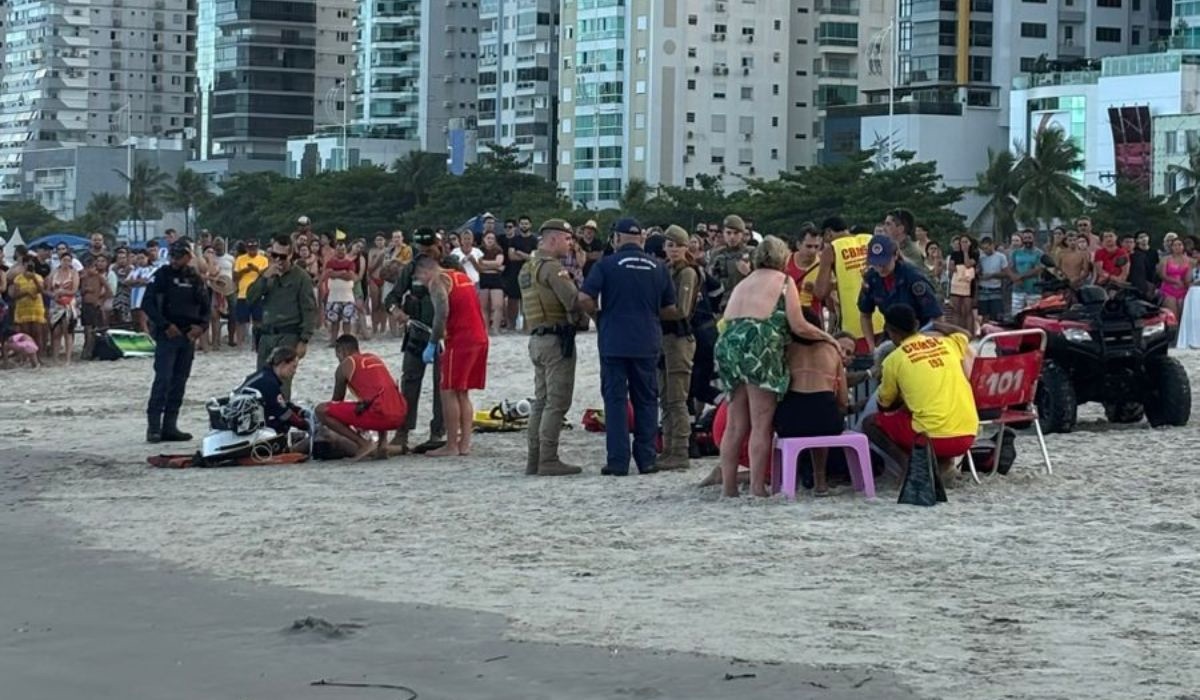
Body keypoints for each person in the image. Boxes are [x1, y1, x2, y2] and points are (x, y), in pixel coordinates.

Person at [709, 236, 833, 497]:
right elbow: (799, 325)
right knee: (761, 422)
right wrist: (827, 337)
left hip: (728, 343)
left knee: (735, 423)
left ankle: (728, 488)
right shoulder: (785, 282)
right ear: (783, 257)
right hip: (759, 344)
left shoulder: (744, 282)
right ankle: (756, 488)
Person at [579, 217, 677, 477]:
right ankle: (647, 459)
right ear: (641, 238)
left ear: (617, 238)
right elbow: (670, 308)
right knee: (646, 399)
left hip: (614, 339)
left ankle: (618, 461)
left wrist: (598, 316)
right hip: (647, 339)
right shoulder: (658, 267)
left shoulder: (606, 264)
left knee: (615, 400)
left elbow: (584, 298)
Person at [862, 304, 978, 486]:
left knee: (871, 423)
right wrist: (937, 325)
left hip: (933, 439)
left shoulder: (894, 359)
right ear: (916, 324)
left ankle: (908, 466)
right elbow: (966, 333)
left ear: (890, 331)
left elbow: (884, 405)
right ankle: (943, 467)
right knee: (926, 415)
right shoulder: (947, 344)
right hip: (968, 435)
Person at [519, 219, 584, 476]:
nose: (570, 244)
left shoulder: (527, 267)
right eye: (568, 239)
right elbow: (572, 300)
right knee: (557, 402)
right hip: (557, 339)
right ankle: (548, 459)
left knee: (541, 401)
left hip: (536, 337)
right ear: (554, 239)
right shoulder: (552, 268)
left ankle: (534, 459)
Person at [416, 254, 489, 457]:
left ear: (425, 271)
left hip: (460, 339)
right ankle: (464, 444)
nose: (421, 282)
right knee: (462, 392)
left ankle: (450, 445)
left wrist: (432, 342)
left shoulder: (438, 281)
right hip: (479, 336)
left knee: (447, 390)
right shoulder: (461, 276)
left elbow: (442, 313)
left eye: (420, 277)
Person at [383, 227, 446, 454]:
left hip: (443, 335)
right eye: (420, 249)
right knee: (409, 381)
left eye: (428, 248)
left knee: (443, 385)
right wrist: (396, 311)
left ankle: (438, 432)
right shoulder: (411, 268)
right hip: (416, 332)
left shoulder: (451, 266)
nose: (424, 253)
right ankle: (402, 432)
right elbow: (391, 297)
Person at [775, 307, 849, 496]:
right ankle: (821, 481)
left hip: (792, 419)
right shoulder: (832, 350)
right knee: (821, 417)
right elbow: (842, 398)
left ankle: (785, 479)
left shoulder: (784, 350)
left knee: (793, 415)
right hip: (826, 416)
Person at [143, 240, 211, 443]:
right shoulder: (162, 275)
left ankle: (170, 426)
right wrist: (164, 325)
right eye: (172, 256)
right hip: (168, 334)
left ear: (188, 257)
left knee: (179, 381)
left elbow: (206, 306)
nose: (174, 260)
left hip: (188, 335)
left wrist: (201, 327)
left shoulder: (195, 278)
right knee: (163, 379)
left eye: (178, 256)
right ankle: (154, 427)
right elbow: (148, 303)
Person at [246, 235, 318, 400]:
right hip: (266, 335)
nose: (278, 260)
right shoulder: (267, 274)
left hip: (288, 335)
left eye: (282, 257)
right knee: (262, 381)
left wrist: (304, 340)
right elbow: (250, 298)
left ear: (291, 255)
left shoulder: (301, 277)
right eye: (274, 255)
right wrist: (264, 278)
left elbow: (309, 310)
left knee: (282, 384)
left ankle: (281, 420)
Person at [314, 334, 409, 461]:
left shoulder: (346, 364)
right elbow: (382, 389)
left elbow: (337, 400)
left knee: (321, 410)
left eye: (338, 355)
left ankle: (363, 444)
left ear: (341, 351)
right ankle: (382, 444)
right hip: (400, 413)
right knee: (378, 396)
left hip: (381, 414)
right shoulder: (374, 358)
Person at [658, 225, 701, 471]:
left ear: (686, 248)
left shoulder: (687, 273)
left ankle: (680, 450)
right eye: (670, 245)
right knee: (665, 397)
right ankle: (668, 447)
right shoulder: (666, 270)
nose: (673, 249)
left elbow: (682, 310)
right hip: (664, 339)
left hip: (679, 338)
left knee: (677, 399)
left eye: (678, 245)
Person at [858, 234, 944, 353]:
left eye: (884, 263)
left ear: (895, 255)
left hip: (921, 333)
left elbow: (937, 317)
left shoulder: (913, 278)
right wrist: (872, 346)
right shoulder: (871, 279)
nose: (880, 268)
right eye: (876, 264)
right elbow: (865, 315)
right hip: (893, 335)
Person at [814, 217, 883, 355]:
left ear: (828, 233)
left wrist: (832, 284)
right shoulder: (871, 240)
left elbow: (820, 292)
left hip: (854, 326)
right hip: (884, 319)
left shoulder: (832, 249)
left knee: (861, 370)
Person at [238, 346, 308, 435]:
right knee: (283, 424)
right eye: (293, 367)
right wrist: (305, 424)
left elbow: (281, 403)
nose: (294, 371)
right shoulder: (270, 383)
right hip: (247, 424)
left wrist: (300, 411)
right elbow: (284, 413)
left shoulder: (264, 375)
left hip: (244, 416)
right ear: (283, 364)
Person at [708, 215, 752, 310]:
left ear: (742, 234)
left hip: (744, 303)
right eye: (728, 233)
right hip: (722, 303)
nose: (732, 237)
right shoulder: (716, 253)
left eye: (736, 233)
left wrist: (749, 273)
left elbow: (762, 282)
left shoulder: (752, 253)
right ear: (723, 233)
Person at [503, 215, 537, 330]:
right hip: (514, 272)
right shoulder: (514, 240)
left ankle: (527, 327)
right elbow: (511, 256)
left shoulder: (534, 240)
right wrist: (526, 256)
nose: (524, 225)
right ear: (519, 225)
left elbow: (534, 258)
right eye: (522, 223)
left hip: (529, 272)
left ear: (530, 225)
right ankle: (511, 325)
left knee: (527, 299)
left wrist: (521, 254)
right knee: (512, 300)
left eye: (526, 223)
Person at [233, 240, 269, 348]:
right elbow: (235, 276)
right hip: (243, 293)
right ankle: (240, 344)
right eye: (250, 248)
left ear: (257, 248)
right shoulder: (240, 259)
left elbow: (266, 275)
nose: (252, 250)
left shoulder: (263, 259)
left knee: (258, 320)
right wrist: (244, 271)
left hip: (258, 294)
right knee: (241, 321)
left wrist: (256, 269)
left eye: (254, 248)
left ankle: (256, 344)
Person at [322, 238, 358, 344]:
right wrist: (342, 272)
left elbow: (350, 276)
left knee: (347, 322)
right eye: (338, 250)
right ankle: (333, 340)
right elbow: (329, 274)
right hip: (334, 296)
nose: (340, 252)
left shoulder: (350, 263)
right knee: (334, 322)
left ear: (345, 250)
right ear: (335, 251)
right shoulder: (330, 262)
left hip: (347, 297)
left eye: (342, 250)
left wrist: (336, 273)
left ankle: (347, 342)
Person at [47, 250, 80, 363]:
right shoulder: (54, 273)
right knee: (56, 331)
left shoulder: (73, 273)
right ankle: (55, 358)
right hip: (56, 304)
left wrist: (62, 292)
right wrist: (54, 295)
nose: (66, 262)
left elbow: (74, 290)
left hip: (68, 303)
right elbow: (48, 289)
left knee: (68, 331)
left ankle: (68, 358)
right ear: (60, 261)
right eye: (64, 260)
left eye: (68, 260)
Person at [79, 254, 113, 360]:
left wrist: (101, 300)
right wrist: (85, 290)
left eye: (93, 267)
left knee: (92, 329)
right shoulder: (84, 278)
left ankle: (90, 351)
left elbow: (109, 292)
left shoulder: (99, 277)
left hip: (94, 305)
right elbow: (80, 291)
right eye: (88, 267)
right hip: (85, 305)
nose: (91, 270)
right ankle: (87, 350)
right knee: (86, 329)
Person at [784, 226, 823, 317]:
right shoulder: (785, 261)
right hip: (787, 316)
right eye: (808, 246)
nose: (813, 251)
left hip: (812, 318)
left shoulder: (822, 266)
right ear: (798, 245)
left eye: (816, 247)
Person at [1007, 229, 1045, 314]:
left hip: (1034, 290)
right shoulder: (1015, 253)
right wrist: (1014, 278)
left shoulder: (1039, 253)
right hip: (1018, 289)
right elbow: (1010, 267)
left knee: (1033, 315)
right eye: (1025, 238)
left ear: (1034, 238)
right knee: (1016, 315)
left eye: (1029, 237)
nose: (1027, 240)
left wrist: (1020, 276)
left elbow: (1038, 270)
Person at [947, 235, 978, 336]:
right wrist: (960, 269)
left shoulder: (975, 253)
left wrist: (965, 252)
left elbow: (968, 264)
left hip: (968, 283)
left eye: (966, 242)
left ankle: (969, 333)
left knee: (967, 310)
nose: (963, 244)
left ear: (970, 243)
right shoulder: (954, 254)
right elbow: (951, 268)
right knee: (956, 310)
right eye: (961, 242)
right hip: (956, 283)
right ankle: (956, 333)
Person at [476, 230, 506, 334]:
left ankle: (496, 328)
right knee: (484, 306)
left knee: (498, 305)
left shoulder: (498, 250)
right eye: (488, 238)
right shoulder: (479, 250)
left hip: (495, 278)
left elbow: (498, 262)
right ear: (484, 239)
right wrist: (492, 265)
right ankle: (486, 329)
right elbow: (478, 265)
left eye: (492, 238)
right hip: (483, 277)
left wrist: (484, 264)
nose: (490, 240)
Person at [1159, 236, 1193, 318]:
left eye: (1179, 245)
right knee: (1173, 314)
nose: (1177, 247)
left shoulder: (1190, 261)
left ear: (1183, 246)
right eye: (1174, 245)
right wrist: (1175, 281)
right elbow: (1162, 275)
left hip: (1183, 289)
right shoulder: (1165, 259)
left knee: (1183, 312)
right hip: (1168, 289)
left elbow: (1188, 278)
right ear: (1171, 247)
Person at [976, 237, 1008, 323]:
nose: (985, 251)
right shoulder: (981, 258)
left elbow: (1006, 273)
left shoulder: (1001, 257)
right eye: (984, 249)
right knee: (983, 316)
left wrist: (992, 275)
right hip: (983, 289)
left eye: (987, 248)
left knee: (996, 315)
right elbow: (977, 272)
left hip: (995, 289)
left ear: (992, 245)